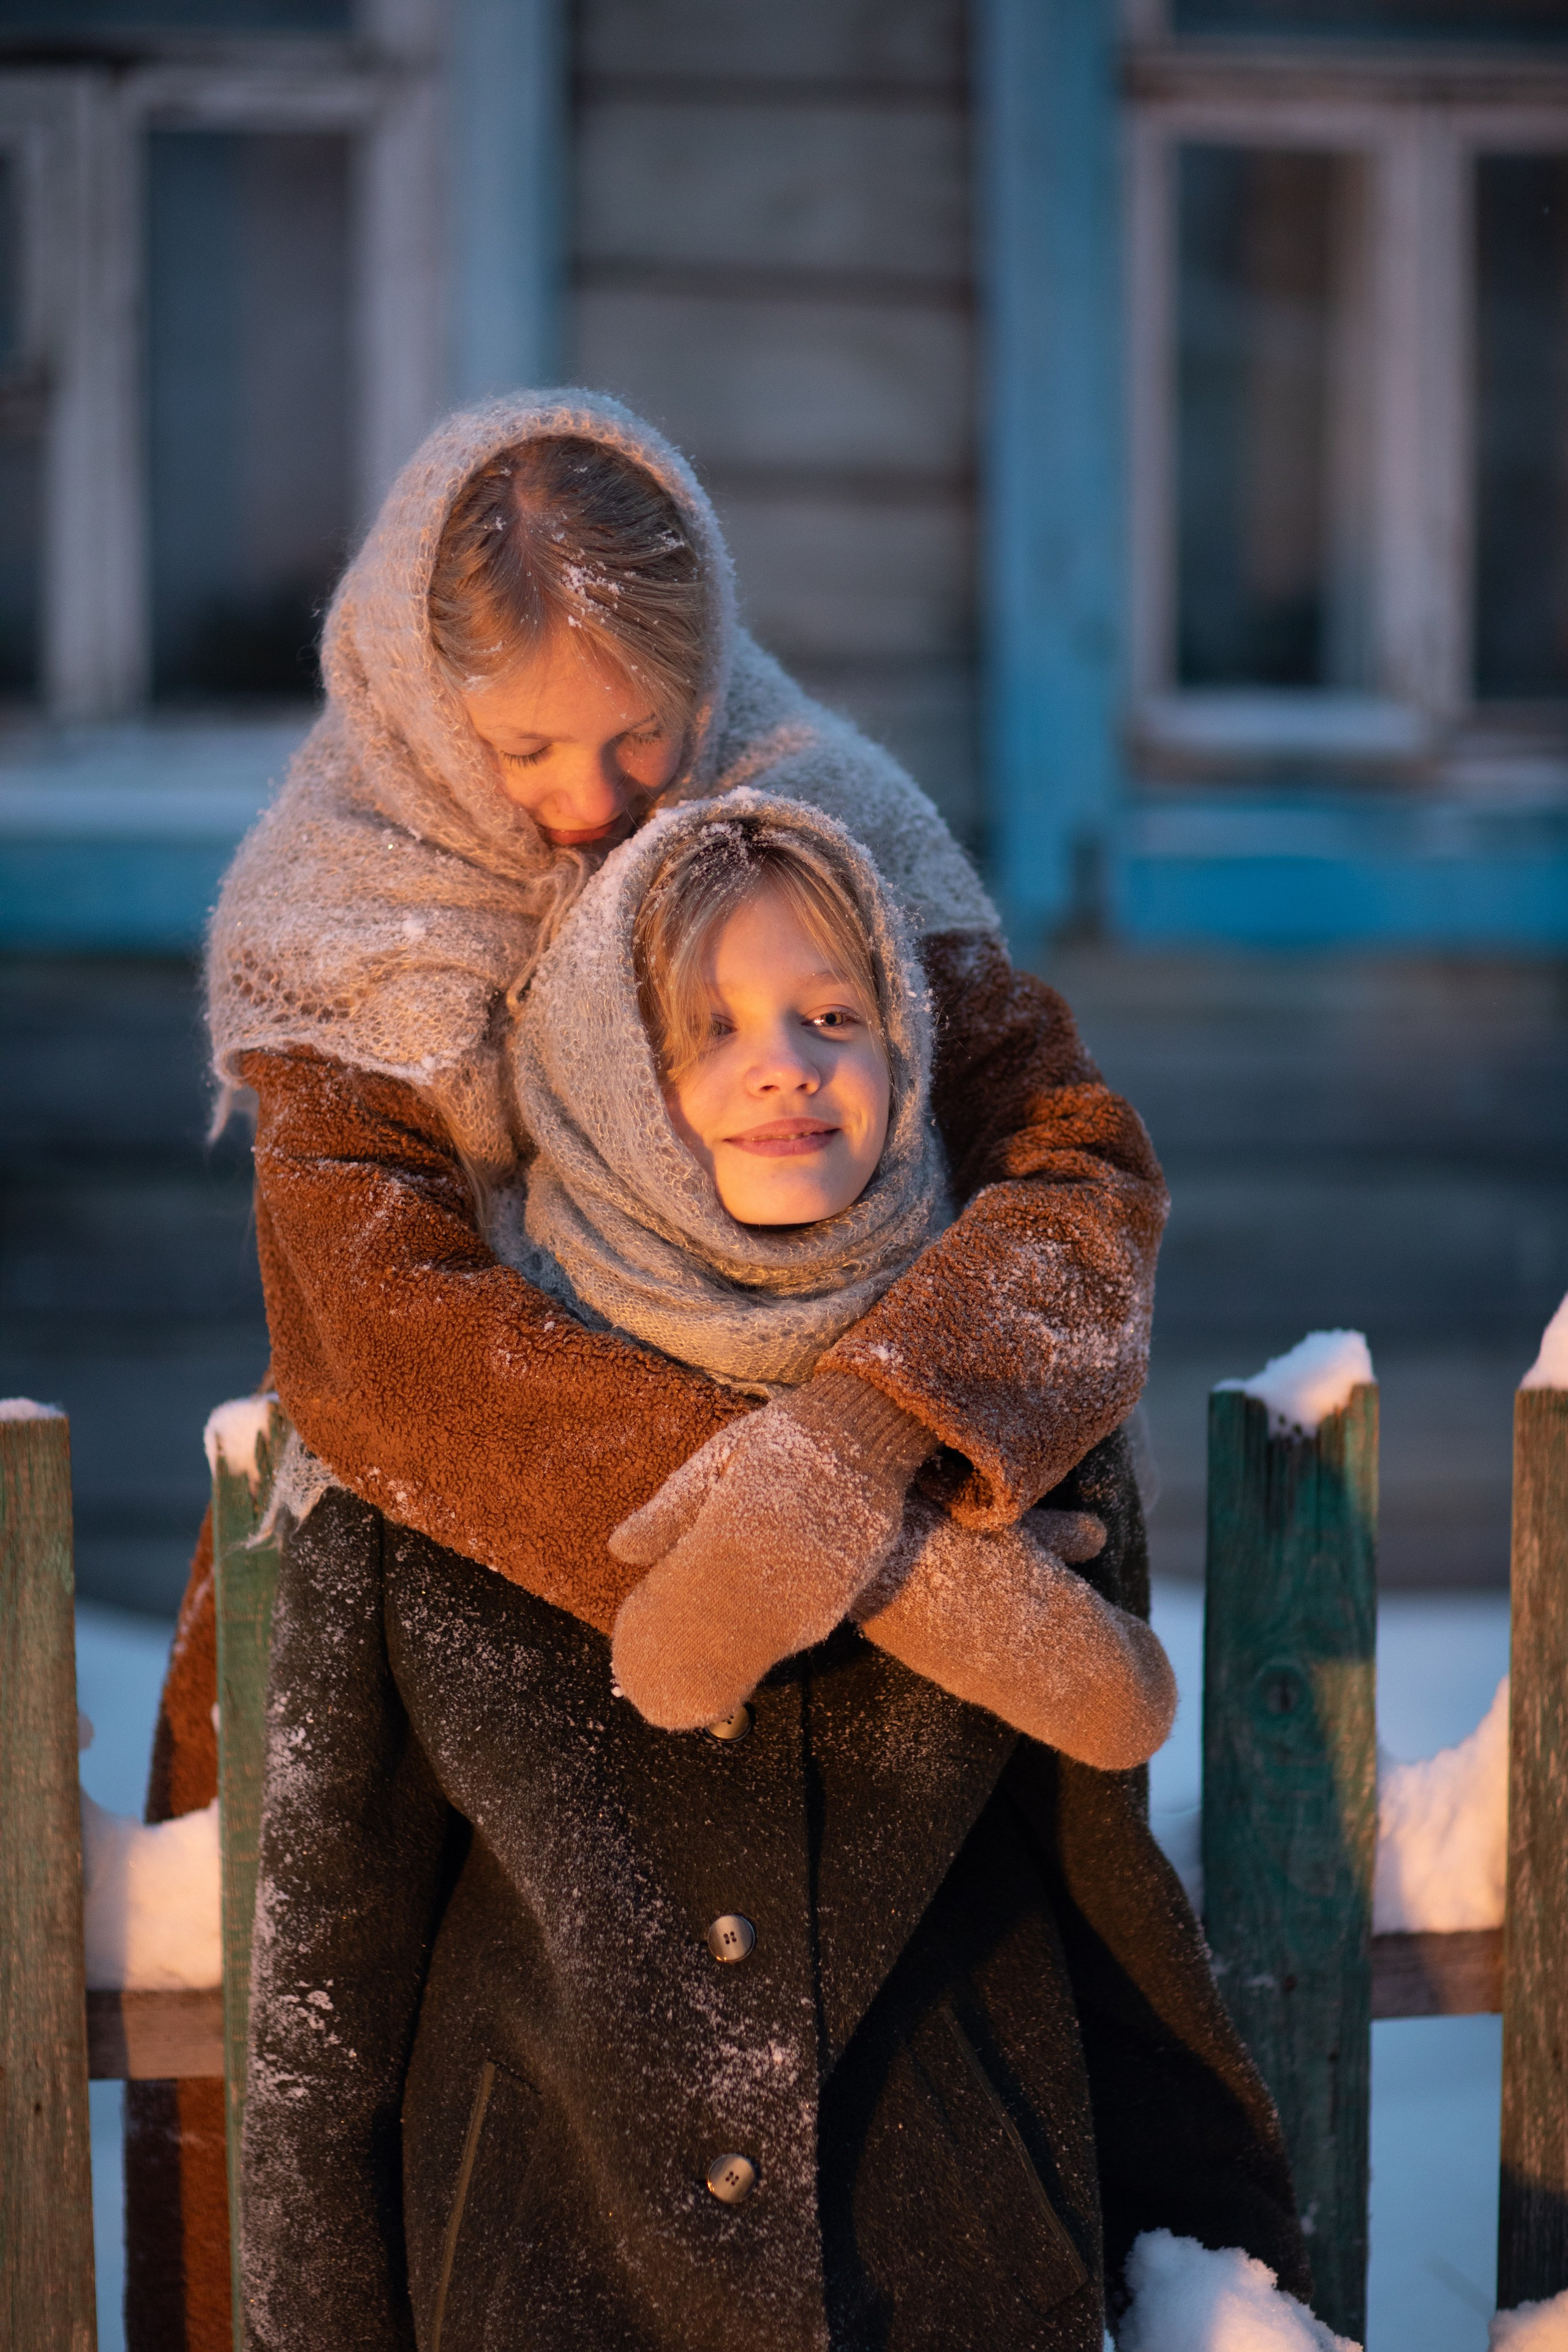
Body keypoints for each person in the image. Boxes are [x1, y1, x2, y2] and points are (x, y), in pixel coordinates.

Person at [126, 391, 1307, 2351]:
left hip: (846, 1488)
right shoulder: (357, 896)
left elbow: (1076, 1175)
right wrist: (862, 1562)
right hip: (475, 1552)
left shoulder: (820, 827)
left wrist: (865, 1439)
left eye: (639, 739)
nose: (589, 800)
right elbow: (381, 1328)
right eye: (523, 749)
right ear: (423, 703)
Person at [239, 791, 1190, 2351]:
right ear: (604, 1073)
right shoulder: (442, 1454)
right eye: (706, 1030)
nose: (788, 1063)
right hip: (544, 2289)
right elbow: (328, 1988)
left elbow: (1110, 1907)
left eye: (836, 1014)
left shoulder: (1009, 1426)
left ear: (905, 1050)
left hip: (956, 2286)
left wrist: (1224, 2272)